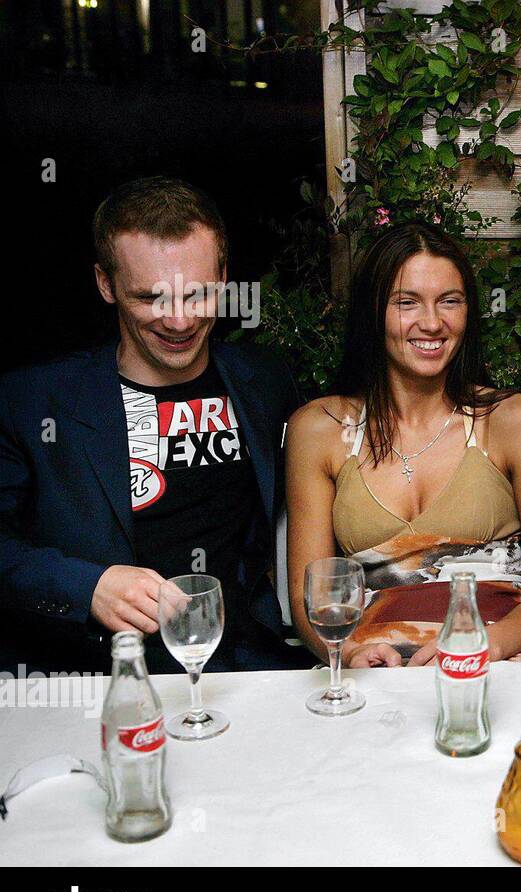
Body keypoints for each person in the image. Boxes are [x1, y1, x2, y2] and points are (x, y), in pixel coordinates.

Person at [0, 176, 305, 674]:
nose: (179, 321)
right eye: (150, 298)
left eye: (198, 295)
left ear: (224, 275)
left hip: (246, 670)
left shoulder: (266, 380)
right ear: (105, 283)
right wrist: (87, 586)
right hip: (99, 677)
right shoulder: (32, 401)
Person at [285, 222, 521, 666]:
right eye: (407, 303)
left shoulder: (511, 421)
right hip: (377, 674)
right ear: (373, 313)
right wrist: (349, 654)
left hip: (498, 665)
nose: (431, 323)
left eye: (450, 302)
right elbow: (308, 595)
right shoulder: (319, 429)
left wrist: (486, 646)